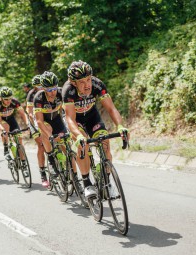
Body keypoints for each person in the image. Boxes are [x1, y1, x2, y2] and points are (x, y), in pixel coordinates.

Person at [62, 60, 129, 198]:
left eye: (88, 79)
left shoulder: (97, 84)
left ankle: (107, 182)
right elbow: (70, 118)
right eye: (82, 82)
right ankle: (87, 184)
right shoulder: (68, 90)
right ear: (74, 82)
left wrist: (120, 126)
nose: (87, 85)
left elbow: (111, 108)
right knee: (83, 145)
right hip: (76, 120)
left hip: (92, 117)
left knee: (105, 143)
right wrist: (79, 136)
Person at [34, 71, 68, 181]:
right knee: (46, 131)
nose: (52, 92)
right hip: (44, 120)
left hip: (57, 119)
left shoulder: (61, 92)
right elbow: (39, 121)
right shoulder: (39, 98)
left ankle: (73, 176)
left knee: (66, 145)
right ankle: (50, 159)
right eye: (49, 89)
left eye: (54, 88)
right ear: (43, 89)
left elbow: (69, 110)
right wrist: (50, 136)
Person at [0, 86, 29, 174]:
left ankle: (24, 165)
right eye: (6, 99)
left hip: (11, 118)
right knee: (6, 128)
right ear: (1, 98)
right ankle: (6, 148)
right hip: (1, 120)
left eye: (10, 98)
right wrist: (3, 130)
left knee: (19, 141)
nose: (8, 101)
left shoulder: (14, 102)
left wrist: (28, 124)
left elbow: (22, 114)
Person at [26, 75, 47, 186]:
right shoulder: (32, 94)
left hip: (46, 118)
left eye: (41, 85)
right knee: (41, 145)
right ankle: (43, 172)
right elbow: (30, 113)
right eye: (37, 86)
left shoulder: (48, 91)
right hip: (34, 120)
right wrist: (36, 125)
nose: (40, 88)